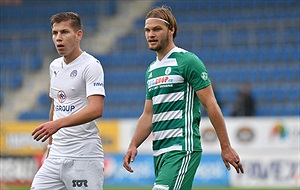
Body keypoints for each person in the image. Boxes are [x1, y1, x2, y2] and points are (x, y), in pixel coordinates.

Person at [123, 6, 244, 190]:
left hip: (182, 148)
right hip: (160, 151)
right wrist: (133, 144)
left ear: (171, 30)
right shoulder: (151, 70)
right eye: (147, 30)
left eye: (157, 29)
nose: (151, 34)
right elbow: (148, 114)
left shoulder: (187, 61)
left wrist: (225, 146)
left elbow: (211, 104)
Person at [31, 12, 106, 190]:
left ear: (78, 34)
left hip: (83, 156)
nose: (58, 38)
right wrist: (50, 146)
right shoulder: (54, 66)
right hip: (56, 154)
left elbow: (96, 109)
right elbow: (55, 104)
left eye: (64, 32)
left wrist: (57, 124)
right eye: (54, 33)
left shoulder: (91, 65)